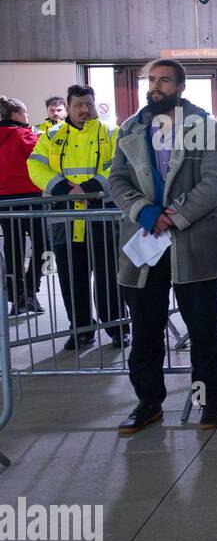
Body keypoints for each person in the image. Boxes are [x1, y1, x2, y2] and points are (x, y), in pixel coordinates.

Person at [107, 59, 217, 433]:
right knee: (145, 330)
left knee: (202, 329)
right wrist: (145, 213)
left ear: (180, 87)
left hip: (190, 242)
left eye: (164, 80)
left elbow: (215, 181)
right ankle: (148, 403)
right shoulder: (131, 127)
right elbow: (116, 180)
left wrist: (174, 216)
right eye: (152, 80)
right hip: (144, 243)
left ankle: (206, 402)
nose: (155, 86)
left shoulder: (205, 127)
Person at [28, 85, 129, 351]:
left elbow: (121, 165)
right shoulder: (51, 135)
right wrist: (62, 189)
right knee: (72, 279)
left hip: (102, 217)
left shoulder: (111, 132)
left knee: (109, 276)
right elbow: (35, 165)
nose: (84, 109)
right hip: (65, 218)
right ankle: (81, 329)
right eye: (78, 105)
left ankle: (117, 327)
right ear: (69, 107)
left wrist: (88, 188)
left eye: (88, 104)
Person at [0, 96, 46, 315]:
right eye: (26, 113)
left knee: (12, 247)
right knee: (41, 244)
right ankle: (29, 292)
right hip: (30, 198)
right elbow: (42, 157)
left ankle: (16, 296)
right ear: (17, 115)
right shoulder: (23, 135)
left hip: (3, 201)